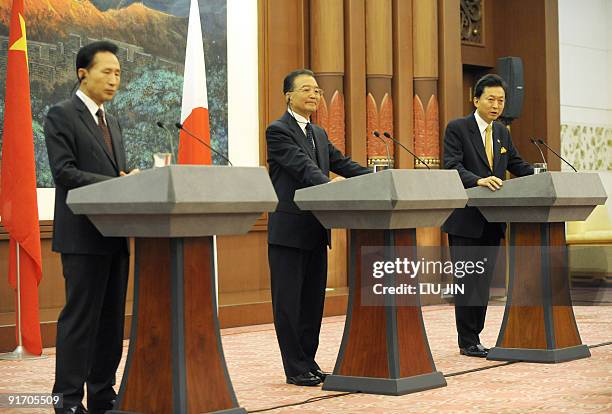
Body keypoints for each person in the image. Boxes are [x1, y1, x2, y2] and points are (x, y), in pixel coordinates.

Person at [45, 41, 138, 414]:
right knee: (80, 320)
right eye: (107, 72)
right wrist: (114, 182)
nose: (114, 80)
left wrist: (127, 180)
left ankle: (103, 393)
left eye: (118, 73)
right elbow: (64, 172)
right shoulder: (61, 114)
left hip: (114, 235)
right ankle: (66, 399)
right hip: (82, 236)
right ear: (83, 73)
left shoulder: (111, 121)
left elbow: (114, 174)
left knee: (112, 322)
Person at [266, 69, 370, 386]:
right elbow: (303, 168)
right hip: (289, 230)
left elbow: (343, 163)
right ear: (288, 95)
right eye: (307, 89)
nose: (314, 95)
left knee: (312, 304)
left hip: (316, 228)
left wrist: (377, 179)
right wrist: (331, 188)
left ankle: (308, 362)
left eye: (317, 90)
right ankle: (295, 368)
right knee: (289, 304)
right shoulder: (278, 130)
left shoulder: (319, 133)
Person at [442, 74, 533, 358]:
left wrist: (543, 177)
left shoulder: (502, 132)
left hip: (493, 219)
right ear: (476, 99)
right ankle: (467, 339)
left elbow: (516, 163)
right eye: (491, 99)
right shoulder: (458, 128)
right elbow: (452, 165)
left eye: (501, 100)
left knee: (482, 283)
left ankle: (475, 337)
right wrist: (477, 180)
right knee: (468, 281)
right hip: (466, 219)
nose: (496, 105)